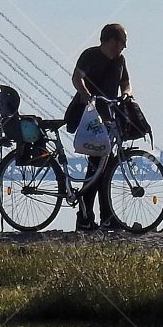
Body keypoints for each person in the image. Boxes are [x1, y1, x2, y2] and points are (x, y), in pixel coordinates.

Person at [66, 23, 131, 231]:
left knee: (105, 167)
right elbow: (77, 78)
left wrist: (127, 94)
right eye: (120, 44)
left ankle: (97, 217)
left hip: (109, 117)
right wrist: (87, 97)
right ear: (110, 41)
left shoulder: (120, 60)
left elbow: (126, 82)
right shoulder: (90, 55)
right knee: (98, 166)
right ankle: (90, 217)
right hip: (88, 116)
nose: (120, 49)